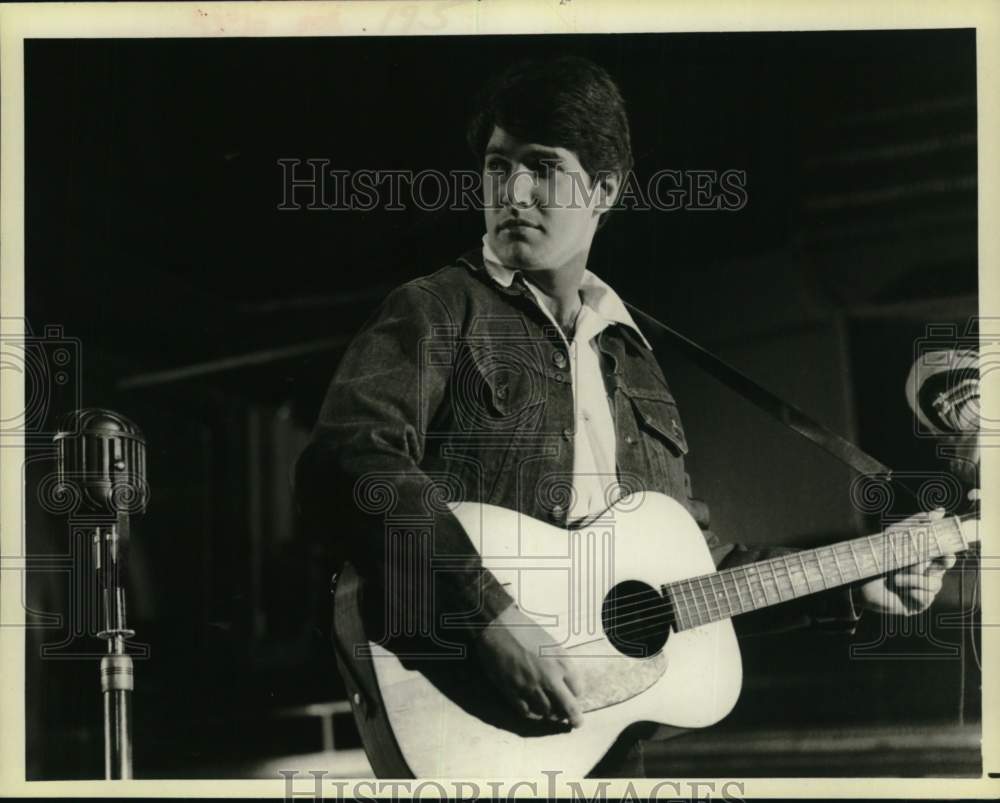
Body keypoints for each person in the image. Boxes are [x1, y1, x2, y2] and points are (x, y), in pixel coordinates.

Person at [295, 54, 956, 777]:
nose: (513, 191)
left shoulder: (634, 361)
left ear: (603, 188)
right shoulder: (437, 308)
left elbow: (686, 581)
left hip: (615, 747)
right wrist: (490, 618)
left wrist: (855, 583)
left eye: (542, 166)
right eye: (496, 166)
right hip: (469, 723)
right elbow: (352, 460)